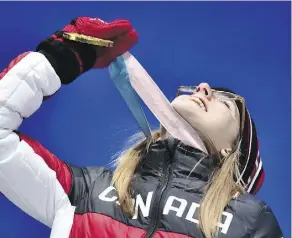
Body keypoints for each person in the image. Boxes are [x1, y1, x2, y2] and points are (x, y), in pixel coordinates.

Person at [0, 16, 283, 238]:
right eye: (203, 88)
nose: (204, 88)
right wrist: (63, 56)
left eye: (227, 102)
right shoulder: (87, 192)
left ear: (230, 150)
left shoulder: (250, 222)